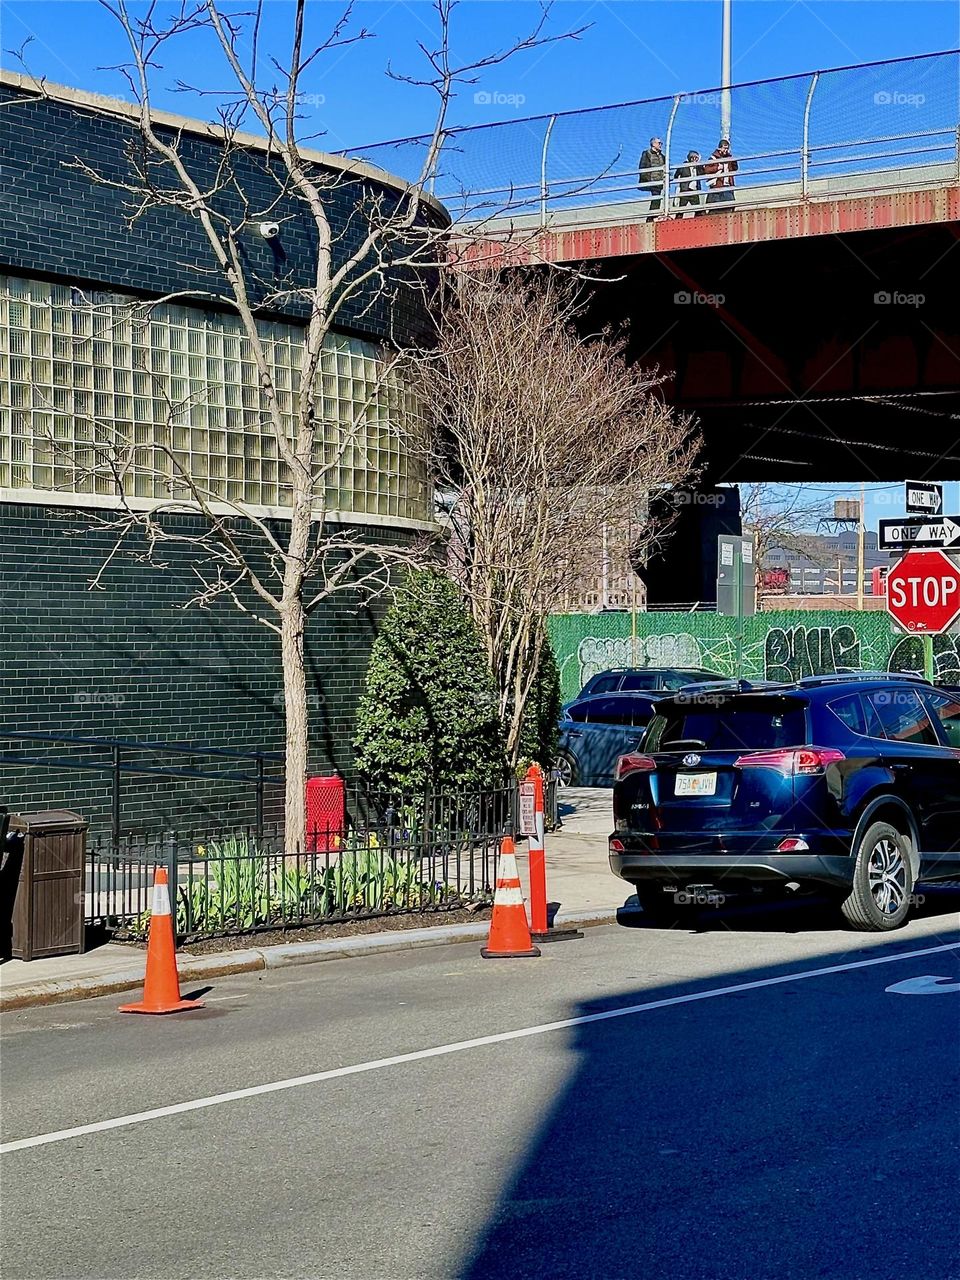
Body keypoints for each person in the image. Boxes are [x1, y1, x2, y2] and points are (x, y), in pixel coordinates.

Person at [703, 138, 738, 211]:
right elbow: (706, 169)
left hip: (727, 186)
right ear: (720, 148)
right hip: (717, 186)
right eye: (724, 148)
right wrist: (717, 167)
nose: (725, 150)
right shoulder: (713, 158)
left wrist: (732, 159)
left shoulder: (729, 158)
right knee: (714, 209)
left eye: (727, 148)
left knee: (729, 207)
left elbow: (735, 168)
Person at [638, 136, 666, 222]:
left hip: (659, 180)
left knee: (657, 198)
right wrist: (647, 179)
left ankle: (652, 216)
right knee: (656, 198)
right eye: (659, 143)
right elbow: (642, 166)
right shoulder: (646, 153)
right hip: (652, 180)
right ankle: (651, 217)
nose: (661, 145)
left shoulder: (662, 156)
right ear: (653, 144)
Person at [673, 150, 704, 216]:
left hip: (694, 191)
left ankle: (699, 221)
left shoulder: (698, 167)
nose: (694, 160)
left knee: (698, 209)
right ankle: (678, 222)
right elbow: (676, 175)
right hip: (685, 190)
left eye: (696, 158)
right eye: (693, 158)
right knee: (681, 209)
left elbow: (703, 172)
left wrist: (699, 164)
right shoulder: (684, 166)